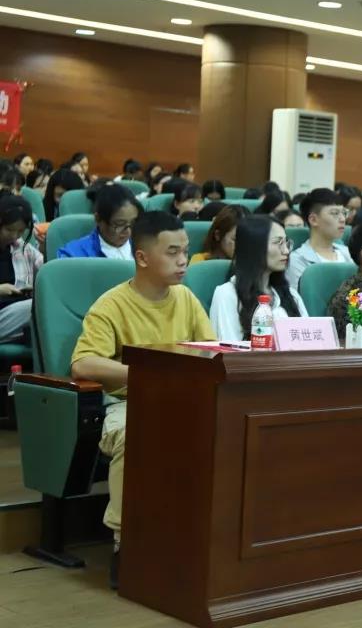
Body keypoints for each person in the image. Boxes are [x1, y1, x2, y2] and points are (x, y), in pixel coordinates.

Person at [70, 212, 215, 586]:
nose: (183, 260)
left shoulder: (186, 298)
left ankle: (203, 541)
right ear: (142, 257)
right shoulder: (112, 304)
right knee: (136, 434)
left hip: (183, 400)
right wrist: (147, 374)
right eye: (172, 252)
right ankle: (126, 545)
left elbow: (210, 350)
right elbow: (83, 363)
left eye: (185, 251)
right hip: (127, 403)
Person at [210, 215, 307, 341]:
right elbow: (228, 347)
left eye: (286, 243)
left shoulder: (291, 294)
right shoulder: (227, 294)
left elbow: (308, 341)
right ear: (253, 246)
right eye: (278, 243)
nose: (286, 251)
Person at [286, 188, 352, 290]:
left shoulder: (347, 253)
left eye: (344, 213)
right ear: (313, 220)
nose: (343, 219)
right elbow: (297, 298)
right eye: (335, 213)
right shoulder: (298, 260)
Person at [56, 184, 141, 260]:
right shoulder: (73, 255)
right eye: (120, 224)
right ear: (98, 219)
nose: (128, 231)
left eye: (133, 223)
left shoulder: (143, 247)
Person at [0, 195, 42, 344]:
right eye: (9, 229)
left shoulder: (22, 247)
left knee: (42, 304)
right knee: (38, 306)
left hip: (15, 311)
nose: (14, 236)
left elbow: (48, 272)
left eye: (20, 231)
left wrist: (45, 248)